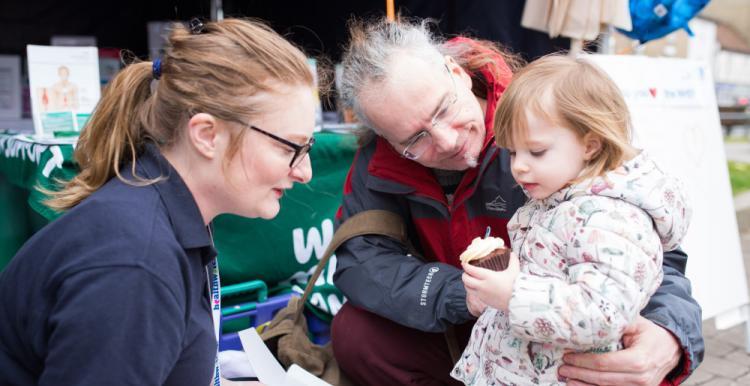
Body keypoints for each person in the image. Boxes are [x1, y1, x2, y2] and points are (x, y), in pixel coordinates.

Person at [332, 17, 703, 386]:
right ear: (385, 137)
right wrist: (462, 292)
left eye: (443, 110)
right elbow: (361, 262)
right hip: (461, 328)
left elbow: (649, 252)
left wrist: (669, 333)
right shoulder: (379, 161)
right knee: (357, 334)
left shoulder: (543, 120)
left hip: (561, 334)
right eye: (414, 139)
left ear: (456, 72)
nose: (445, 141)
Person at [0, 18, 316, 385]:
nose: (304, 171)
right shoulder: (135, 265)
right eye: (288, 148)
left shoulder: (154, 212)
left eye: (307, 148)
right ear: (207, 135)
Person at [451, 55, 692, 385]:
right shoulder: (558, 197)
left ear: (590, 145)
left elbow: (602, 312)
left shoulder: (608, 218)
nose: (518, 167)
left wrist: (512, 294)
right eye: (513, 152)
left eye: (535, 151)